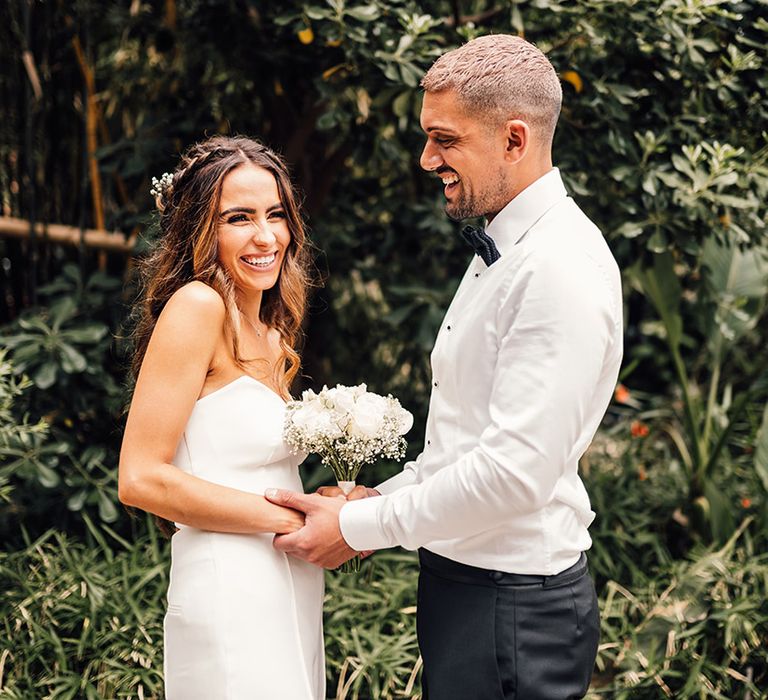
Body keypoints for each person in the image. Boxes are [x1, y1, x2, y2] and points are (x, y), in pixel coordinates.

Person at [265, 35, 623, 699]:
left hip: (512, 608)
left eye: (445, 139)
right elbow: (466, 446)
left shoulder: (556, 270)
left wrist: (355, 528)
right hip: (471, 594)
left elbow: (512, 476)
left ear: (514, 139)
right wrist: (381, 499)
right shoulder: (505, 250)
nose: (428, 159)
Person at [119, 135, 325, 699]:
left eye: (276, 215)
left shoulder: (271, 330)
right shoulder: (197, 308)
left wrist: (326, 503)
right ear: (200, 230)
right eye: (239, 218)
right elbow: (140, 478)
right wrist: (294, 521)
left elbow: (261, 470)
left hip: (290, 583)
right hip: (229, 585)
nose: (266, 237)